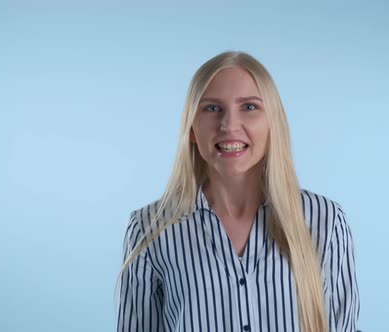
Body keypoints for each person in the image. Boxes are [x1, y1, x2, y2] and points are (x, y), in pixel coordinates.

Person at [116, 51, 360, 332]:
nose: (229, 125)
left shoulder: (325, 221)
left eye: (249, 107)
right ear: (192, 128)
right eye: (212, 108)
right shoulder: (150, 230)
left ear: (273, 124)